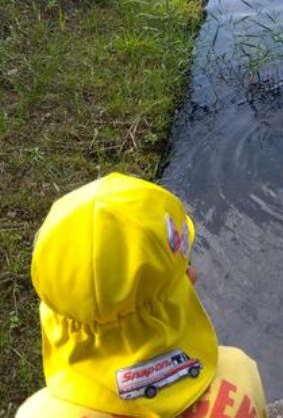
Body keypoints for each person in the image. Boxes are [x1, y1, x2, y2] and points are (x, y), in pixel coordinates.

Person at [17, 173, 267, 418]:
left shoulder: (39, 413)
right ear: (188, 280)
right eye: (185, 268)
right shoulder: (240, 374)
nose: (194, 273)